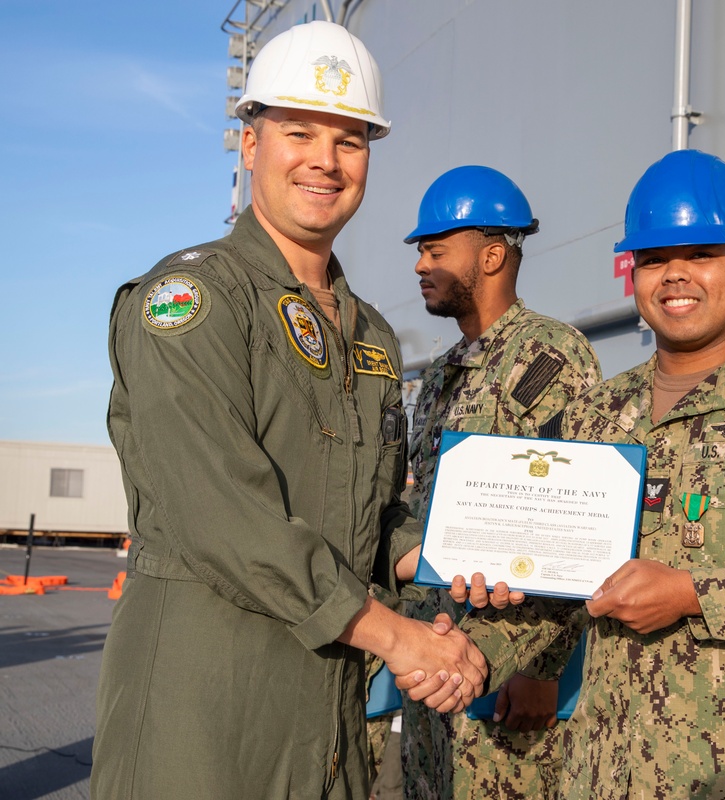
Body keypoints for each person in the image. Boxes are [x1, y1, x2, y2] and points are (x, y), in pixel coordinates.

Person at [405, 149, 725, 799]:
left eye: (701, 253)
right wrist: (467, 656)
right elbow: (559, 592)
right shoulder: (596, 415)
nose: (675, 275)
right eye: (653, 259)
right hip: (606, 775)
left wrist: (695, 593)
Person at [92, 21, 486, 800]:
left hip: (327, 715)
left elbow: (370, 513)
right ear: (249, 143)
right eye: (298, 131)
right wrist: (398, 638)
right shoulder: (191, 300)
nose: (324, 160)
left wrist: (465, 555)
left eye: (349, 140)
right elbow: (224, 517)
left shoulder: (367, 329)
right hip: (204, 709)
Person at [400, 166, 602, 799]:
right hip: (436, 665)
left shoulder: (551, 357)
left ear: (490, 255)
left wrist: (545, 669)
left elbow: (578, 526)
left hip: (510, 687)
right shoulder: (439, 376)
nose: (419, 266)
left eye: (435, 250)